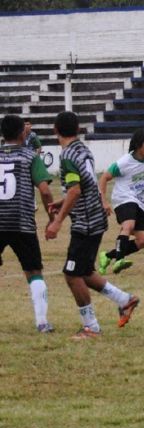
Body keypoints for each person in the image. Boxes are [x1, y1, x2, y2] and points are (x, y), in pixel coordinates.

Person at [45, 111, 140, 339]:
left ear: (55, 130)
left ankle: (91, 326)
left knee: (71, 274)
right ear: (78, 129)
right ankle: (125, 300)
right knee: (84, 271)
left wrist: (57, 221)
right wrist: (61, 202)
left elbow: (75, 190)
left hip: (86, 223)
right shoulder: (83, 150)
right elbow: (84, 184)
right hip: (95, 218)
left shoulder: (67, 156)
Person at [0, 115, 56, 333]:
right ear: (23, 133)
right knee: (33, 271)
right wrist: (52, 217)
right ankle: (42, 322)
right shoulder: (30, 157)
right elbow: (44, 190)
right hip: (21, 221)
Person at [98, 128, 144, 276]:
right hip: (123, 198)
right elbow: (104, 178)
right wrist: (104, 202)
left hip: (141, 203)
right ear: (138, 145)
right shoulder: (124, 162)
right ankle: (119, 260)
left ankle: (107, 256)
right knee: (128, 225)